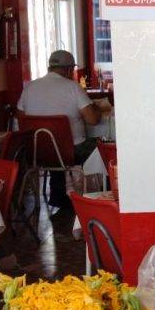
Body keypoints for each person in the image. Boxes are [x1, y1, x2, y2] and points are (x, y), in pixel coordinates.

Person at [17, 50, 101, 209]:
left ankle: (59, 195)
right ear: (70, 70)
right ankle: (100, 198)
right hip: (72, 151)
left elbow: (20, 115)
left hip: (37, 151)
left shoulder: (30, 87)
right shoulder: (72, 87)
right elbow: (93, 120)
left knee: (56, 150)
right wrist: (95, 108)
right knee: (101, 147)